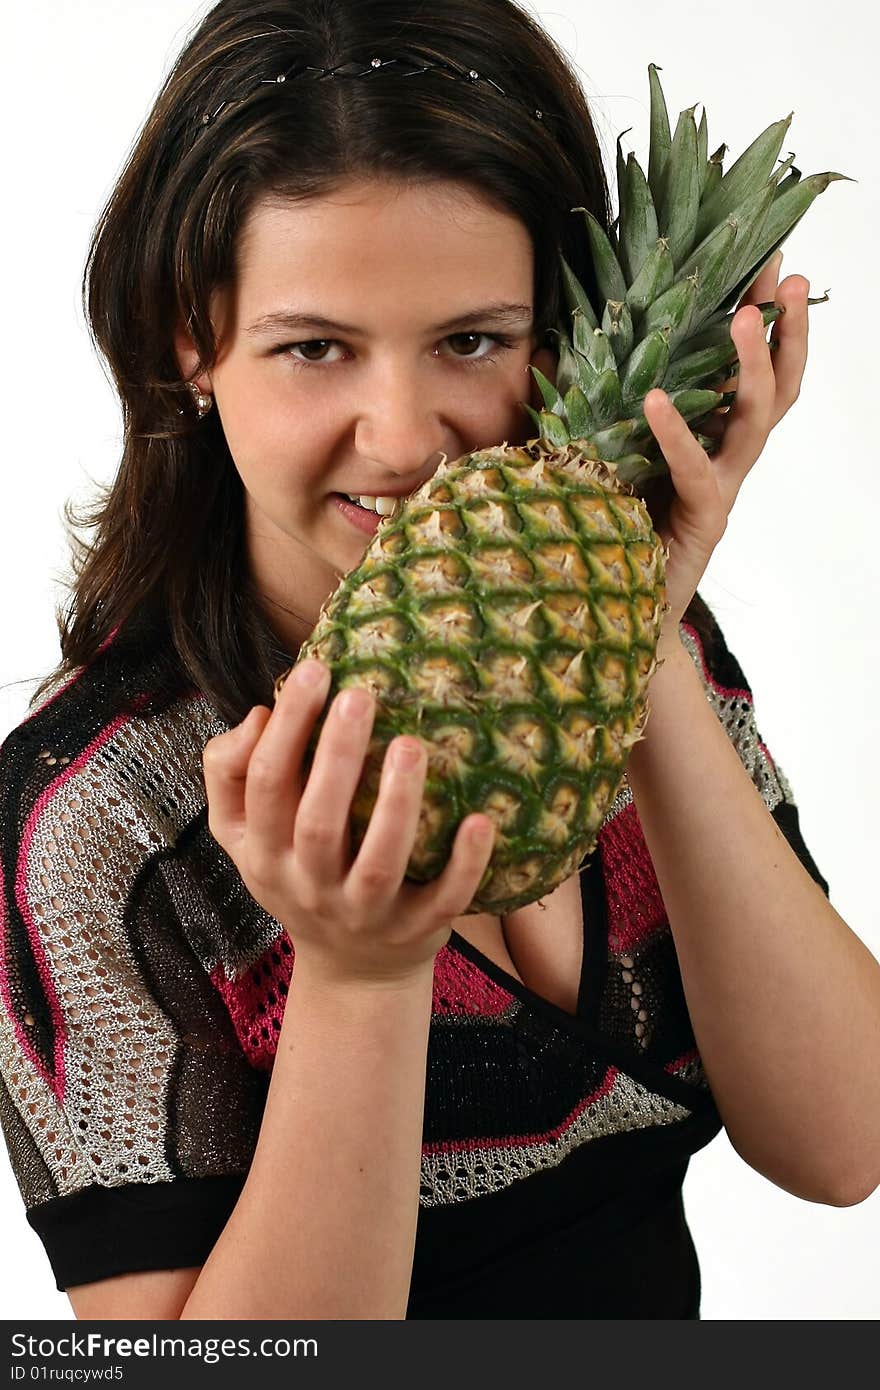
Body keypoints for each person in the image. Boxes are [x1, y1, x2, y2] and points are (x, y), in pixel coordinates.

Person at [1, 0, 878, 1323]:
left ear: (564, 330)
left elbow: (840, 1140)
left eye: (473, 340)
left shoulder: (649, 645)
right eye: (314, 347)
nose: (406, 438)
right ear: (191, 341)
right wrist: (358, 971)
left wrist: (637, 634)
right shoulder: (95, 826)